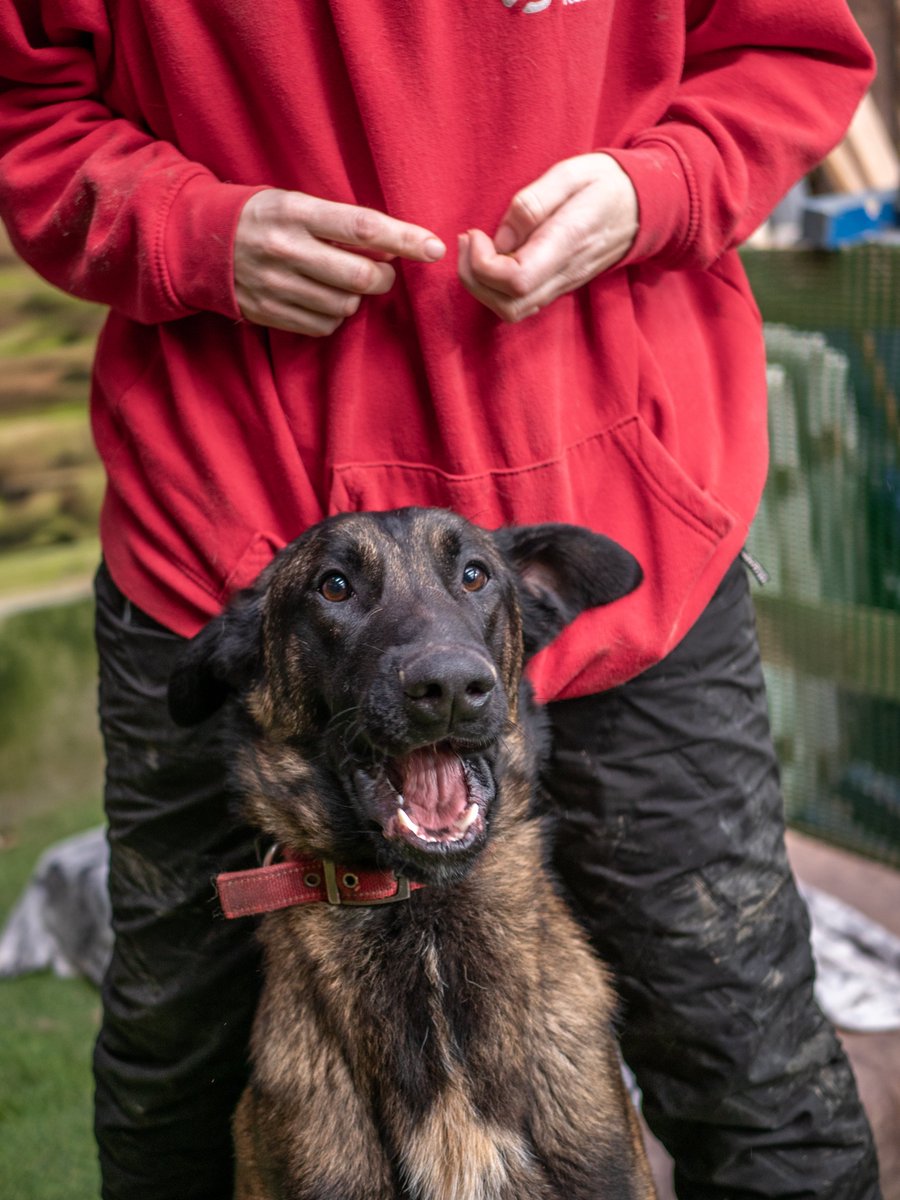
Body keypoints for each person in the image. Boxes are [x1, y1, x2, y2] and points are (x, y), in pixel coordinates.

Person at [0, 1, 883, 1196]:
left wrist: (658, 189)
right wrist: (187, 231)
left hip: (613, 517)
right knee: (177, 1077)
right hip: (228, 532)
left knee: (748, 1061)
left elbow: (790, 51)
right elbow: (26, 105)